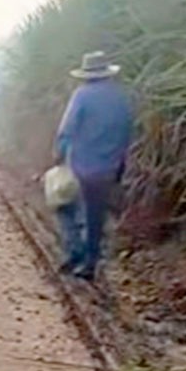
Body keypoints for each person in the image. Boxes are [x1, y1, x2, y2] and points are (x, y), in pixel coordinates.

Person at [42, 51, 134, 281]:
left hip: (82, 166)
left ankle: (77, 254)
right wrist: (120, 165)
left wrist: (58, 155)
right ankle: (91, 260)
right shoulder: (120, 97)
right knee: (96, 215)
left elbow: (67, 130)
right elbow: (126, 133)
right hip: (109, 167)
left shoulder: (82, 95)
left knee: (65, 206)